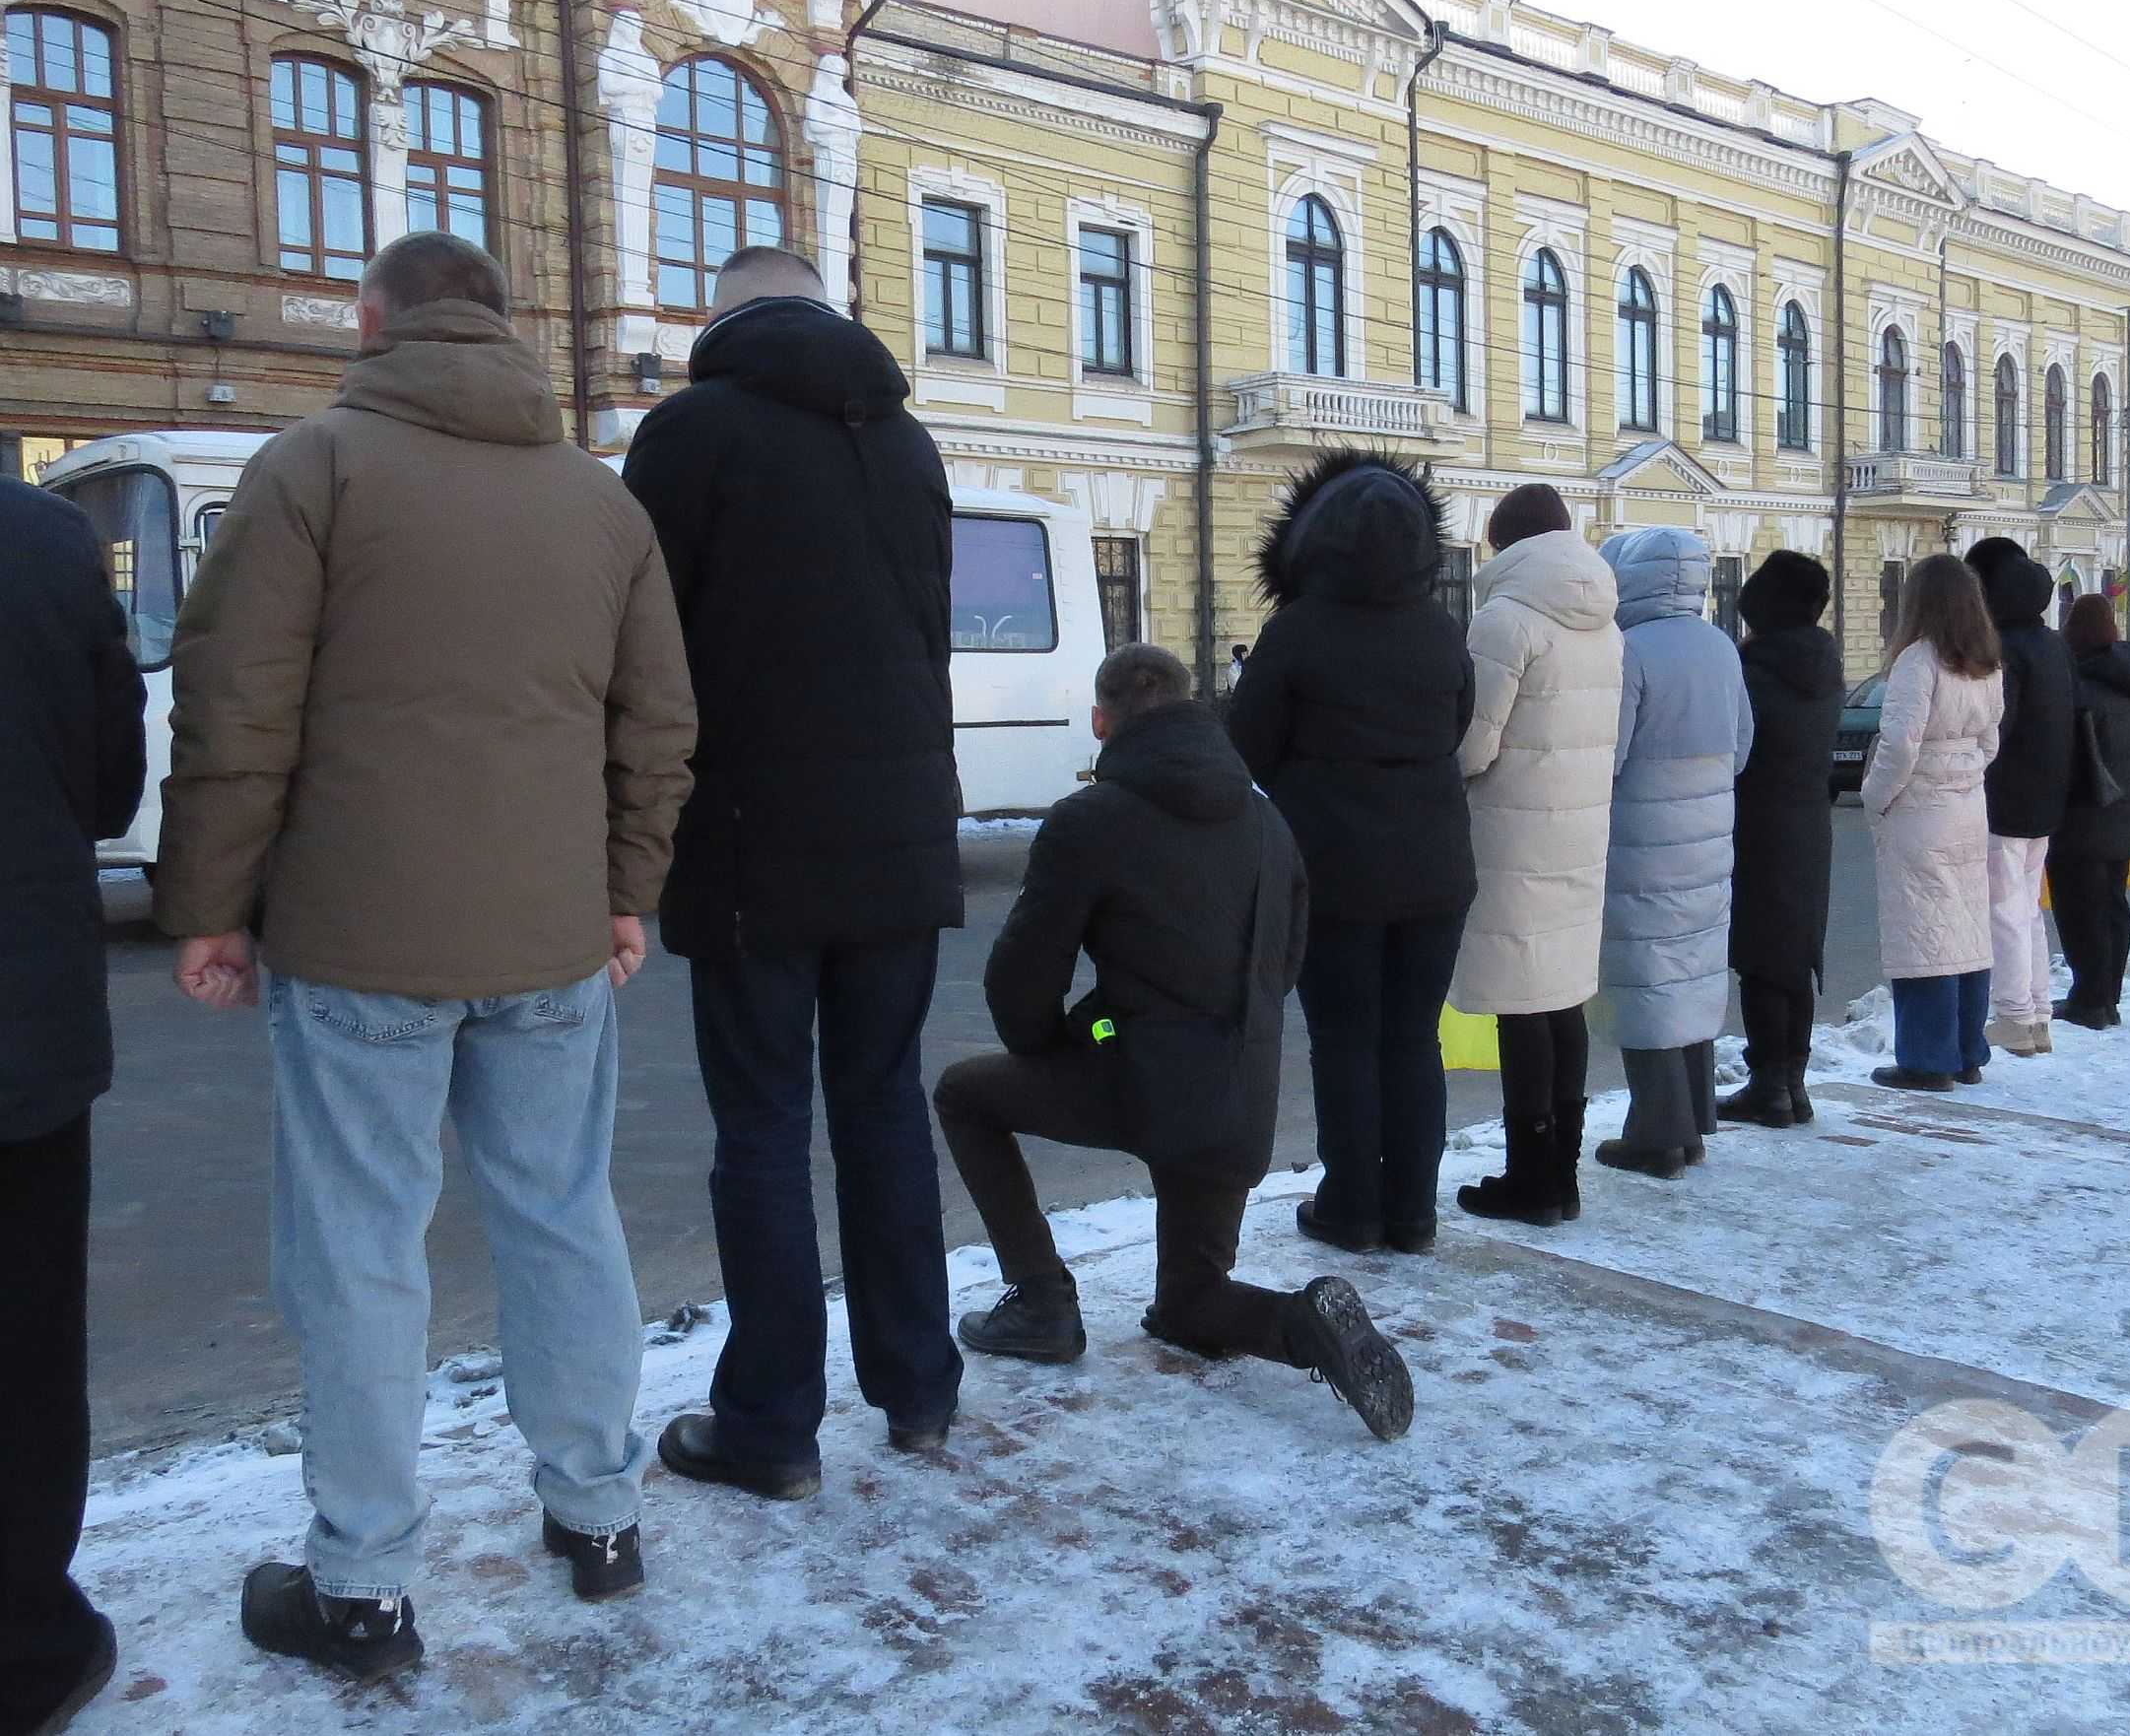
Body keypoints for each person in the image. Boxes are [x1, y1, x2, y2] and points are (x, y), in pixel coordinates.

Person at [155, 234, 697, 1679]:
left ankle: (366, 1584)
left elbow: (236, 702)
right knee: (562, 1215)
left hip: (358, 941)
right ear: (504, 325)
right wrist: (625, 889)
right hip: (550, 938)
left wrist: (208, 901)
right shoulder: (599, 500)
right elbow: (656, 725)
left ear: (370, 317)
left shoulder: (311, 467)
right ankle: (597, 1516)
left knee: (357, 1253)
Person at [624, 245, 968, 1500]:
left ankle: (771, 1426)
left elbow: (645, 652)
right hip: (901, 834)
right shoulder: (909, 444)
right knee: (881, 1107)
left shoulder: (691, 433)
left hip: (752, 843)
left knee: (762, 1129)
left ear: (721, 316)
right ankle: (920, 1388)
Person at [936, 647, 1413, 1441]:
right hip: (1241, 1090)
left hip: (1137, 1081)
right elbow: (1284, 962)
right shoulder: (1266, 822)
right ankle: (1303, 1327)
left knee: (963, 1094)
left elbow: (1020, 977)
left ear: (1101, 720)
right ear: (1199, 710)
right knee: (1191, 1301)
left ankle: (1044, 1301)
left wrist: (1052, 1046)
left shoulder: (1089, 819)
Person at [1230, 451, 1474, 1255]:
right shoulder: (1442, 631)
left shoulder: (1296, 632)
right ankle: (1413, 1211)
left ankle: (1352, 1206)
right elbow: (1455, 730)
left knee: (1343, 1040)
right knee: (1412, 1038)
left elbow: (1248, 749)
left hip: (1332, 870)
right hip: (1435, 870)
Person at [0, 481, 145, 1736]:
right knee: (25, 1342)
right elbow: (109, 789)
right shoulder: (43, 543)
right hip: (18, 1021)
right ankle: (25, 1645)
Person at [1450, 486, 1623, 1227]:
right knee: (1559, 1002)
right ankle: (1562, 1174)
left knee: (1521, 1007)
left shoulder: (1504, 620)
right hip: (1579, 831)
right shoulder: (1605, 623)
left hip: (1512, 834)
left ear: (1504, 545)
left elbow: (1471, 747)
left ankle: (1530, 1179)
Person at [1592, 528, 1752, 1179]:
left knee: (1647, 979)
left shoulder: (1627, 650)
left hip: (1642, 842)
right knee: (1689, 974)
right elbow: (1741, 745)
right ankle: (1692, 1123)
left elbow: (1610, 753)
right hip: (1710, 835)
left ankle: (1656, 1132)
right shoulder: (1719, 645)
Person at [1862, 555, 2004, 1094]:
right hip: (1969, 804)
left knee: (1922, 934)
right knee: (1966, 930)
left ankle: (1926, 1058)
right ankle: (1968, 1051)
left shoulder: (1918, 662)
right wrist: (1963, 773)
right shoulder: (1986, 663)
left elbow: (1900, 745)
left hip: (1920, 810)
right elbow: (1990, 739)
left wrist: (1877, 797)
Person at [1720, 552, 1845, 1129]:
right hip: (1807, 823)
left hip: (1759, 820)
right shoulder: (1821, 664)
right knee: (1794, 954)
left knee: (1761, 955)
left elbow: (1737, 748)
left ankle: (1770, 1082)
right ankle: (1791, 1079)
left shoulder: (1755, 670)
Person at [1962, 538, 2073, 1059]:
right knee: (2026, 908)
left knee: (2004, 908)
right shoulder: (2053, 644)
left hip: (2004, 793)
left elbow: (1995, 725)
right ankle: (2037, 1015)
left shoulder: (2004, 649)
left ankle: (2012, 1016)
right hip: (2047, 794)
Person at [2046, 596, 2130, 1031]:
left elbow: (2066, 755)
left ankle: (2090, 999)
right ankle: (2107, 995)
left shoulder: (2079, 687)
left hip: (2084, 814)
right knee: (2113, 904)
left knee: (2080, 911)